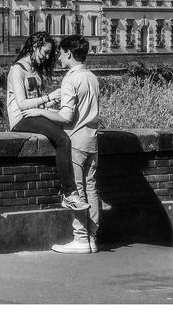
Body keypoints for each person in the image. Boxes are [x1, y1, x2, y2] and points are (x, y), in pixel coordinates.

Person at [7, 32, 89, 212]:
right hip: (21, 120)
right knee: (62, 139)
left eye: (49, 54)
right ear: (35, 46)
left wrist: (52, 103)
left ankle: (84, 187)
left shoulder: (35, 71)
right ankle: (69, 193)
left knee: (71, 128)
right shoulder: (17, 70)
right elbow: (22, 104)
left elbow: (37, 101)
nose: (46, 57)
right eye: (44, 52)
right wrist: (49, 97)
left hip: (35, 116)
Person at [49, 34, 102, 254]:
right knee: (92, 189)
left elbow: (67, 116)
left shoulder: (70, 79)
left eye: (60, 53)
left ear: (69, 53)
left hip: (76, 140)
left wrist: (41, 112)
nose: (59, 58)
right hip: (92, 140)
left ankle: (80, 238)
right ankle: (92, 238)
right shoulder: (92, 77)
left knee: (77, 191)